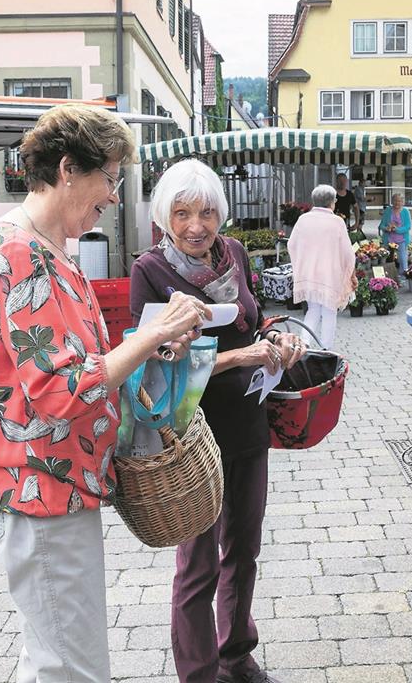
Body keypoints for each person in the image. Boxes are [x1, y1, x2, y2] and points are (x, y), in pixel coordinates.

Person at [0, 104, 207, 683]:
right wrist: (152, 332)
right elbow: (57, 390)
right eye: (111, 176)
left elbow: (87, 365)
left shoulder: (50, 250)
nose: (114, 193)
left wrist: (155, 346)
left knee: (56, 659)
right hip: (39, 490)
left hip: (55, 487)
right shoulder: (18, 253)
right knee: (71, 669)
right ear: (69, 169)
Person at [130, 159, 307, 683]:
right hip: (189, 438)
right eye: (182, 213)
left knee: (245, 549)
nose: (195, 226)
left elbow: (254, 319)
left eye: (206, 212)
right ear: (164, 216)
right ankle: (200, 673)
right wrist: (238, 358)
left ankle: (236, 654)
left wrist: (276, 340)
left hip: (247, 424)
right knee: (198, 564)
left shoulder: (234, 254)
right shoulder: (150, 270)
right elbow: (152, 358)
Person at [288, 184, 357, 350]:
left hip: (309, 272)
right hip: (329, 274)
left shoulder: (303, 219)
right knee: (329, 311)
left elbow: (291, 245)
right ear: (332, 202)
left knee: (313, 309)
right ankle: (326, 348)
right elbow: (348, 252)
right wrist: (351, 274)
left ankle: (304, 343)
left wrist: (302, 262)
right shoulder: (337, 222)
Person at [378, 193, 412, 281]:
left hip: (402, 239)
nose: (397, 203)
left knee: (403, 260)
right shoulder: (388, 211)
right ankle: (383, 278)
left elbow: (408, 226)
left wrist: (397, 229)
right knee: (383, 259)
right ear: (392, 201)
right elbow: (381, 225)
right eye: (395, 200)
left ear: (403, 202)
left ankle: (403, 277)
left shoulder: (405, 211)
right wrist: (387, 228)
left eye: (400, 201)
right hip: (388, 239)